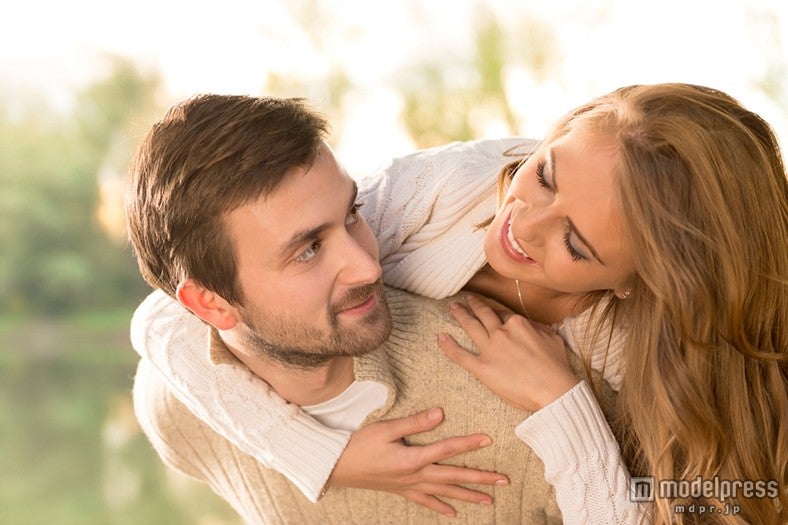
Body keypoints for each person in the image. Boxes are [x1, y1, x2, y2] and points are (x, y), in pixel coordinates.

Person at [132, 84, 788, 524]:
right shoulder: (443, 195)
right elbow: (169, 310)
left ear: (636, 281)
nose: (520, 224)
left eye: (575, 243)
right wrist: (319, 455)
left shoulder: (642, 351)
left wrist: (564, 409)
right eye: (546, 174)